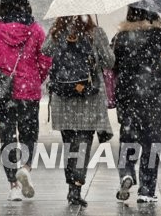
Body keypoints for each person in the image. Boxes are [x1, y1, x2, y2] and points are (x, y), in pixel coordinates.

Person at [112, 7, 161, 204]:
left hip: (128, 97)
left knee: (128, 139)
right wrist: (160, 25)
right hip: (153, 98)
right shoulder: (158, 34)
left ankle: (127, 173)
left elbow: (111, 64)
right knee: (152, 145)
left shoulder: (120, 38)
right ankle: (146, 191)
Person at [41, 15, 114, 207]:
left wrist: (57, 29)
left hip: (63, 96)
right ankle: (76, 188)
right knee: (82, 145)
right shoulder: (95, 32)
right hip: (87, 96)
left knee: (69, 145)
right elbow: (109, 62)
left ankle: (72, 186)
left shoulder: (57, 32)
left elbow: (45, 50)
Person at [0, 0, 52, 201]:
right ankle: (26, 167)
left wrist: (3, 68)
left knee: (7, 137)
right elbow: (45, 59)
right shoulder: (36, 30)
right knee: (29, 135)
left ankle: (13, 186)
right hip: (28, 91)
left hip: (3, 92)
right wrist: (34, 78)